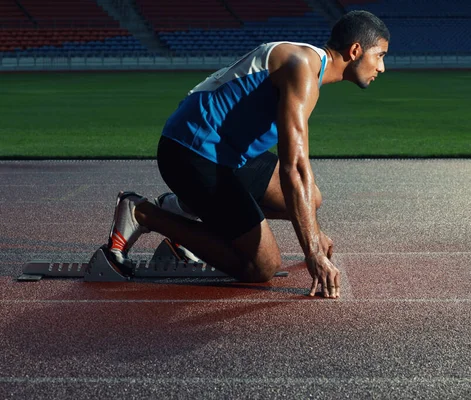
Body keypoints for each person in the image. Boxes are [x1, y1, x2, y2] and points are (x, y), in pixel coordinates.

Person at [106, 10, 389, 299]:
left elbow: (300, 181)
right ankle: (142, 213)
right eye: (379, 55)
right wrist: (313, 249)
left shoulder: (307, 62)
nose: (382, 67)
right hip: (189, 151)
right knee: (261, 266)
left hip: (226, 153)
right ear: (355, 50)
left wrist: (313, 231)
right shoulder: (302, 69)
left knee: (311, 199)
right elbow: (295, 168)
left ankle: (183, 208)